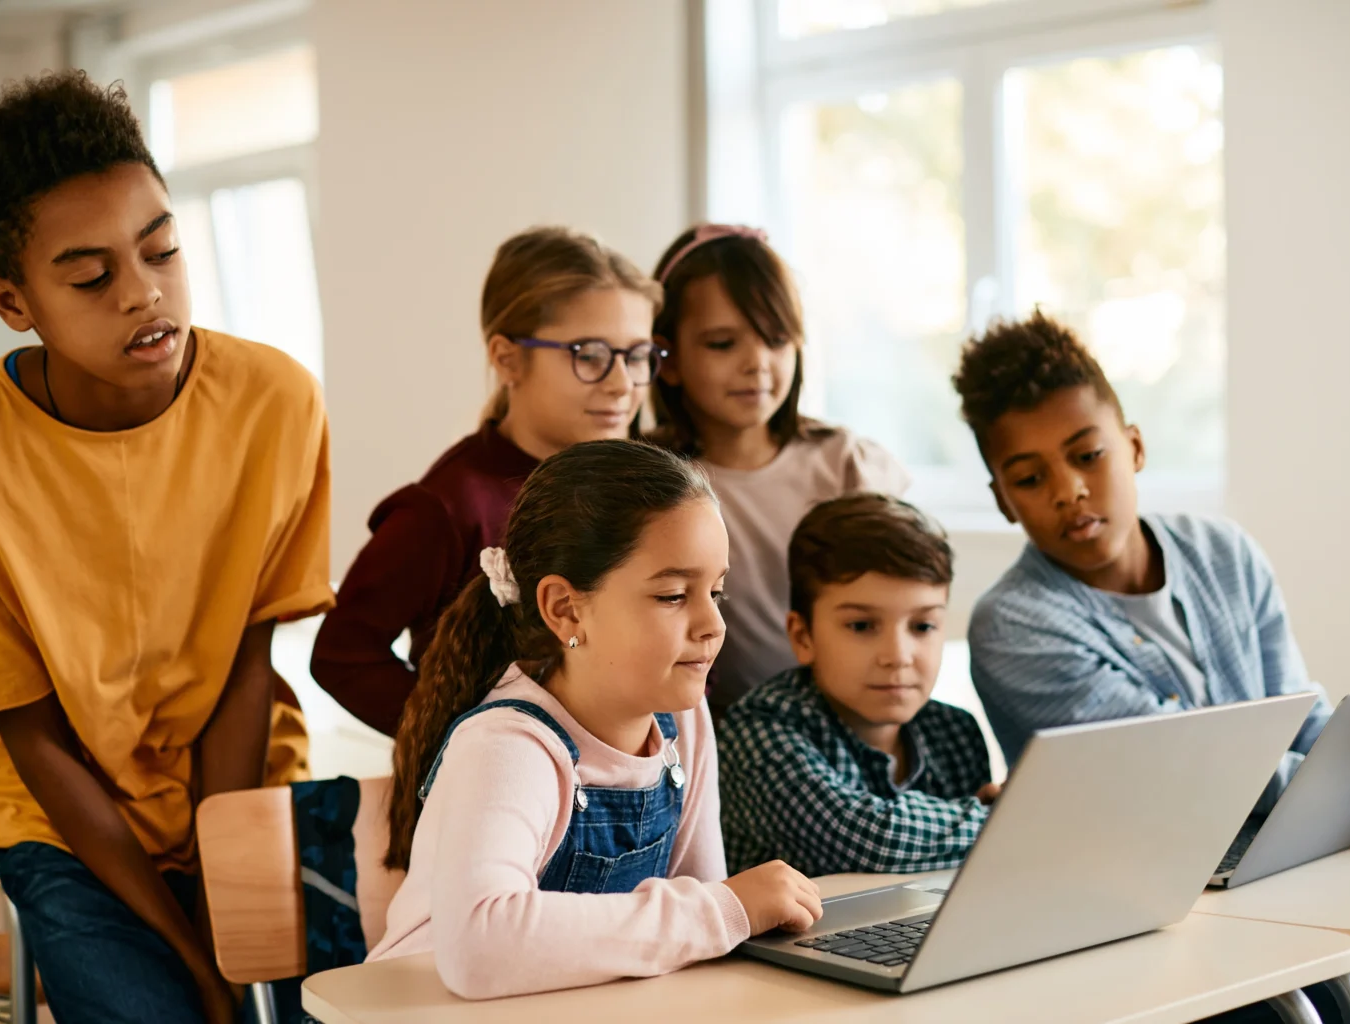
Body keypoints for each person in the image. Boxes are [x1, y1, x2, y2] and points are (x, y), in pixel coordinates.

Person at [957, 310, 1350, 1024]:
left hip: (1301, 881)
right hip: (1167, 937)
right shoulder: (1014, 626)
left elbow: (1308, 725)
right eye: (1029, 476)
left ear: (1134, 447)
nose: (1069, 491)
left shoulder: (1226, 554)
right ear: (1000, 497)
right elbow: (1201, 784)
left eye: (1088, 455)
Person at [0, 71, 332, 1024]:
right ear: (12, 299)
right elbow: (33, 737)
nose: (145, 292)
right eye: (91, 276)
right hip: (65, 823)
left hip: (245, 782)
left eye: (161, 249)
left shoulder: (275, 402)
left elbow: (249, 666)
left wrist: (223, 882)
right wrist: (186, 951)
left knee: (305, 1011)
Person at [369, 439, 822, 999]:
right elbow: (479, 949)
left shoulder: (687, 719)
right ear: (564, 608)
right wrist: (726, 908)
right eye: (673, 596)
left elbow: (699, 926)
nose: (712, 624)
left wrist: (720, 913)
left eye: (717, 591)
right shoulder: (509, 745)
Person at [311, 227, 662, 735]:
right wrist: (459, 737)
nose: (621, 383)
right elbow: (342, 655)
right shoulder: (447, 507)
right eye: (589, 354)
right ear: (507, 358)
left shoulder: (645, 490)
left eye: (636, 356)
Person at [650, 224, 908, 716]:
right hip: (721, 738)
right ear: (669, 359)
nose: (757, 363)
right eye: (723, 343)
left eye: (776, 338)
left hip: (851, 724)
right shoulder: (653, 480)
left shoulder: (845, 463)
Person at [719, 494, 998, 876]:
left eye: (922, 626)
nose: (898, 656)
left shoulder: (955, 731)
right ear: (803, 636)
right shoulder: (759, 730)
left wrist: (1000, 824)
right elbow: (870, 840)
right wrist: (1003, 822)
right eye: (862, 626)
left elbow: (979, 870)